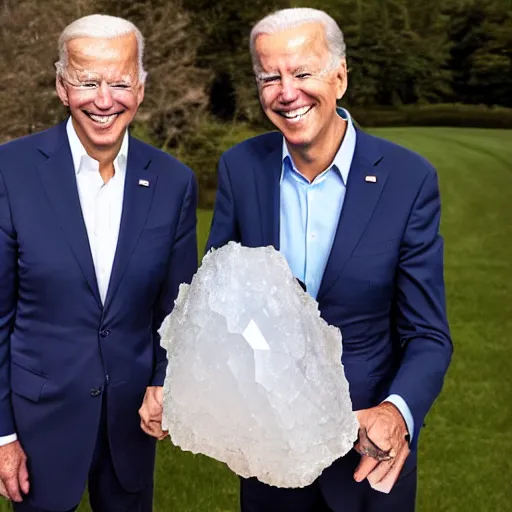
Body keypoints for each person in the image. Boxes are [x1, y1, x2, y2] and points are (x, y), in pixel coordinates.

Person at [206, 7, 452, 512]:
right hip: (269, 453)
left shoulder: (409, 181)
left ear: (340, 75)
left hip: (368, 457)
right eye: (269, 76)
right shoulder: (240, 170)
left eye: (302, 72)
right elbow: (217, 305)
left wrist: (396, 412)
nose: (286, 91)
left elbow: (427, 335)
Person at [0, 14, 197, 512]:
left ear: (142, 89)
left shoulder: (173, 182)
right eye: (87, 81)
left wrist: (163, 380)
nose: (104, 99)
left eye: (120, 82)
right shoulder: (10, 172)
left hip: (130, 428)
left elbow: (179, 310)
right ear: (62, 86)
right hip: (37, 426)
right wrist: (1, 435)